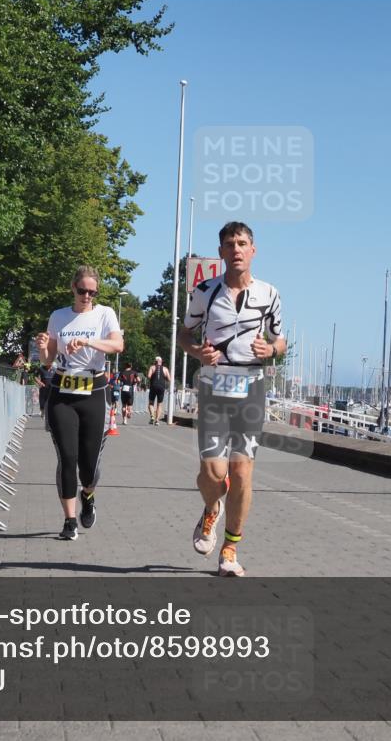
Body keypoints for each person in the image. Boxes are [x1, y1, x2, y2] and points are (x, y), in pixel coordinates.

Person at [178, 221, 285, 576]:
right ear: (222, 252)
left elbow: (280, 341)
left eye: (242, 243)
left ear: (253, 250)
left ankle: (230, 549)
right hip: (213, 388)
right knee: (212, 472)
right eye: (229, 244)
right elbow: (184, 333)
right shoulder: (205, 291)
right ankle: (211, 508)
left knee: (241, 472)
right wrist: (197, 352)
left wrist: (270, 349)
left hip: (250, 389)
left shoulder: (269, 293)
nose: (236, 249)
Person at [36, 265, 123, 541]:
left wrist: (88, 342)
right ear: (73, 288)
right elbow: (48, 359)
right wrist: (42, 348)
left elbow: (117, 345)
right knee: (67, 457)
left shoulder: (104, 314)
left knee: (88, 466)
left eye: (92, 292)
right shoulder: (59, 317)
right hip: (62, 391)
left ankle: (88, 494)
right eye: (83, 291)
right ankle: (69, 520)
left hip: (94, 392)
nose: (87, 296)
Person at [146, 356, 170, 425]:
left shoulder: (152, 367)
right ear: (161, 362)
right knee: (159, 404)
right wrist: (163, 377)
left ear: (155, 362)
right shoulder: (165, 369)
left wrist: (154, 376)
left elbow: (149, 376)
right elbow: (169, 379)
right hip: (161, 387)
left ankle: (152, 416)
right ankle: (157, 420)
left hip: (153, 386)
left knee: (151, 403)